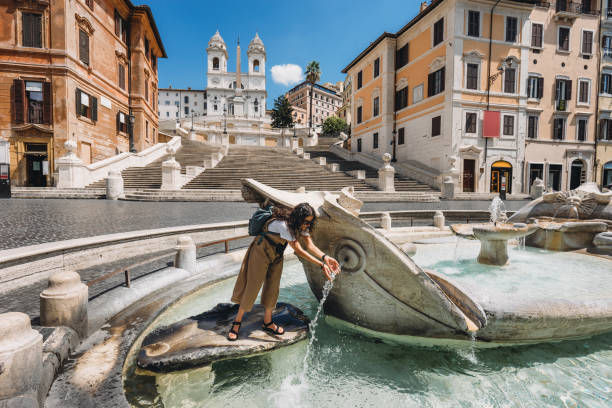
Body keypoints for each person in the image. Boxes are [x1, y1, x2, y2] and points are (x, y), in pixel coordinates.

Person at [228, 202, 340, 341]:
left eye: (310, 223)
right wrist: (321, 265)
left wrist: (325, 257)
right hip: (261, 251)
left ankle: (267, 322)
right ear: (299, 219)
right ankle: (237, 323)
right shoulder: (284, 225)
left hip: (276, 254)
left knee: (273, 288)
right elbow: (299, 249)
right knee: (253, 287)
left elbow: (309, 245)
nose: (307, 225)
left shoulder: (300, 225)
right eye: (306, 222)